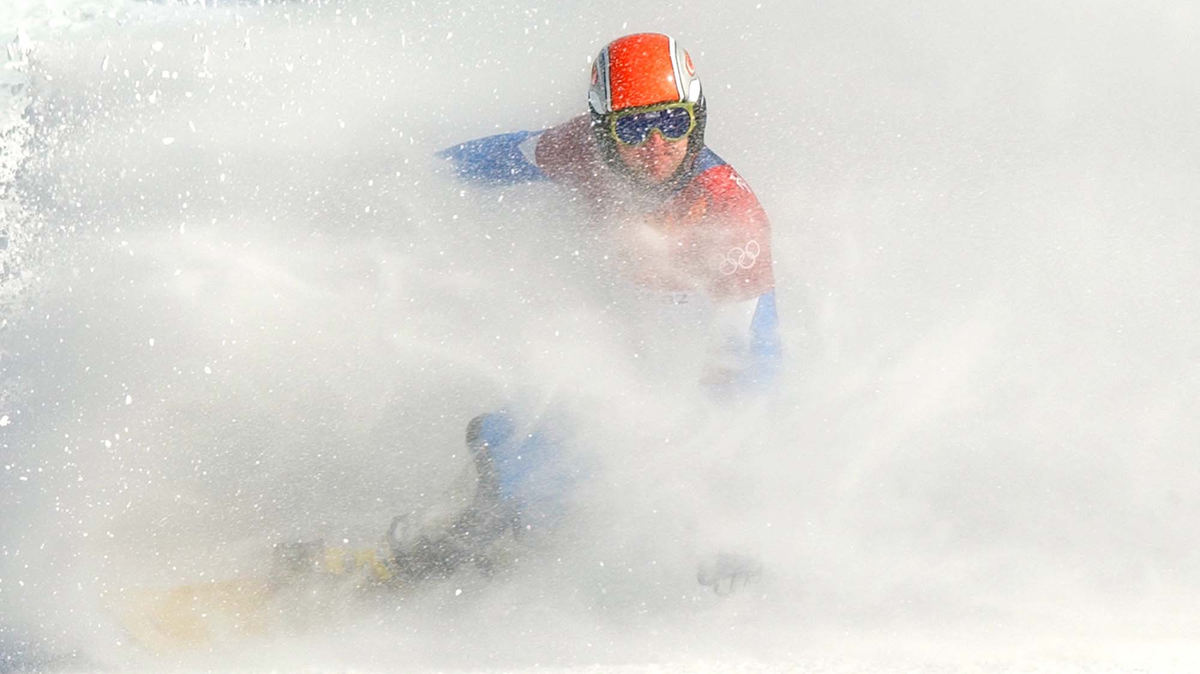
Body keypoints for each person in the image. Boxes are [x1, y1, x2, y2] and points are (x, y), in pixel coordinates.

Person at [388, 33, 779, 589]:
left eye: (673, 121)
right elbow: (502, 158)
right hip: (634, 316)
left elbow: (737, 370)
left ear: (697, 118)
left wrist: (726, 523)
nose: (656, 143)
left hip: (715, 331)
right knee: (523, 455)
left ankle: (504, 534)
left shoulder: (731, 212)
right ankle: (466, 537)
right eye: (633, 126)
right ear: (602, 128)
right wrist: (411, 175)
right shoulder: (577, 149)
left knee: (612, 453)